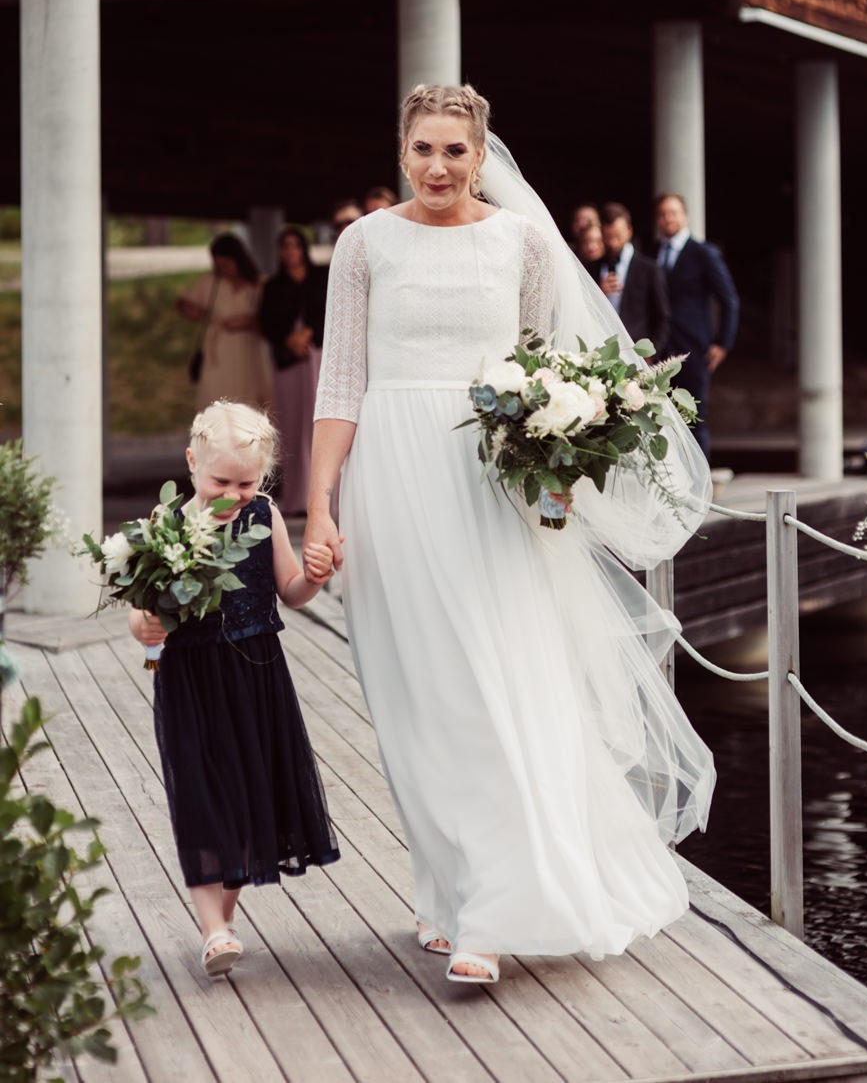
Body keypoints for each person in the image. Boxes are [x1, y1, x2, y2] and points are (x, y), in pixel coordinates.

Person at [303, 84, 715, 987]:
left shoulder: (524, 242)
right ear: (400, 151)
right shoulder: (363, 245)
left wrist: (558, 480)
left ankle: (496, 908)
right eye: (424, 149)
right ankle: (448, 888)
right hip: (390, 483)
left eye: (457, 149)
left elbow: (542, 375)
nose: (440, 166)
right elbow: (341, 382)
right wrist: (321, 504)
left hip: (489, 485)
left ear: (482, 153)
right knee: (415, 693)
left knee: (492, 681)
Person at [129, 402, 339, 978]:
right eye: (221, 480)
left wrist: (315, 576)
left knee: (249, 797)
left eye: (247, 482)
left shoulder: (264, 516)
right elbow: (142, 607)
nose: (234, 492)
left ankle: (221, 924)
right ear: (192, 463)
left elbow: (290, 590)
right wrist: (144, 626)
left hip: (257, 676)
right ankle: (212, 927)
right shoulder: (166, 522)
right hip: (192, 680)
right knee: (200, 794)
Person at [654, 192, 740, 459]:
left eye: (674, 212)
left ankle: (699, 489)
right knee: (660, 419)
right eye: (663, 214)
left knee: (694, 418)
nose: (669, 218)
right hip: (660, 350)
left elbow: (729, 299)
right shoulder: (652, 252)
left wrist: (722, 343)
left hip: (694, 349)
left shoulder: (702, 252)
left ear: (685, 216)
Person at [260, 227, 329, 515]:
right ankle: (297, 497)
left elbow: (328, 309)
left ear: (303, 249)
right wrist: (289, 339)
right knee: (291, 423)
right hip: (288, 359)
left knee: (320, 420)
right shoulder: (274, 285)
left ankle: (325, 497)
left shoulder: (320, 278)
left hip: (317, 350)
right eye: (284, 246)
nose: (290, 252)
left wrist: (309, 332)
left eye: (295, 246)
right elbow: (265, 321)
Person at [177, 233, 273, 412]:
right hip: (219, 351)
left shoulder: (259, 284)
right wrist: (199, 312)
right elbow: (183, 302)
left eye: (226, 265)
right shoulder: (211, 282)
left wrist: (248, 322)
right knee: (216, 398)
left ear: (238, 260)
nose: (223, 270)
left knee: (249, 399)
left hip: (249, 351)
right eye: (219, 265)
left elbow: (272, 321)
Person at [600, 202, 671, 359]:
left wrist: (651, 354)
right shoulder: (592, 267)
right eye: (607, 237)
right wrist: (598, 292)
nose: (612, 243)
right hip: (599, 351)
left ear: (629, 231)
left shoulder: (650, 269)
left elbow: (663, 318)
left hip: (637, 355)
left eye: (617, 236)